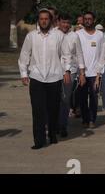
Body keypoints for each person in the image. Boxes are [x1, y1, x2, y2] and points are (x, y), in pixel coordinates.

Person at [18, 8, 72, 149]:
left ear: (51, 20)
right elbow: (24, 55)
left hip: (54, 77)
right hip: (36, 77)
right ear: (38, 20)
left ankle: (52, 134)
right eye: (41, 19)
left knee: (53, 109)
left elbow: (66, 55)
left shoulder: (59, 36)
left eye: (46, 19)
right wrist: (24, 74)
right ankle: (39, 141)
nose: (43, 21)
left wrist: (67, 70)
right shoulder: (31, 36)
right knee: (37, 110)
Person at [58, 13, 86, 138]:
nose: (66, 25)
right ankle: (53, 124)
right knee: (54, 99)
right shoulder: (54, 34)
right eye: (63, 22)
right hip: (54, 71)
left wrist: (82, 73)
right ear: (58, 22)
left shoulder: (74, 36)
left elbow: (80, 55)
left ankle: (63, 125)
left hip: (72, 71)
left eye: (68, 23)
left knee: (65, 99)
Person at [76, 11, 105, 129]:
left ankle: (92, 119)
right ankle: (85, 119)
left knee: (94, 97)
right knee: (82, 98)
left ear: (94, 20)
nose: (87, 21)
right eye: (85, 19)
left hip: (95, 73)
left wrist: (101, 71)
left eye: (90, 19)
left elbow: (104, 52)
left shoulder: (100, 35)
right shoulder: (78, 34)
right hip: (82, 73)